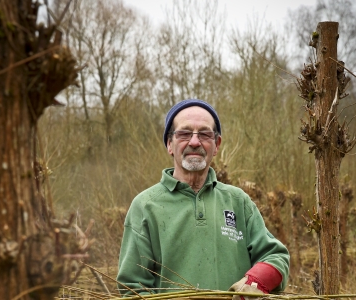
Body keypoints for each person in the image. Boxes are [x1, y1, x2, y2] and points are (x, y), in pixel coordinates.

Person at [116, 99, 289, 297]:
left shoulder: (238, 201)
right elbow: (133, 288)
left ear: (216, 145)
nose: (195, 142)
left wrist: (256, 281)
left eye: (205, 134)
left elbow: (277, 257)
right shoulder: (145, 206)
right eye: (184, 133)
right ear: (169, 144)